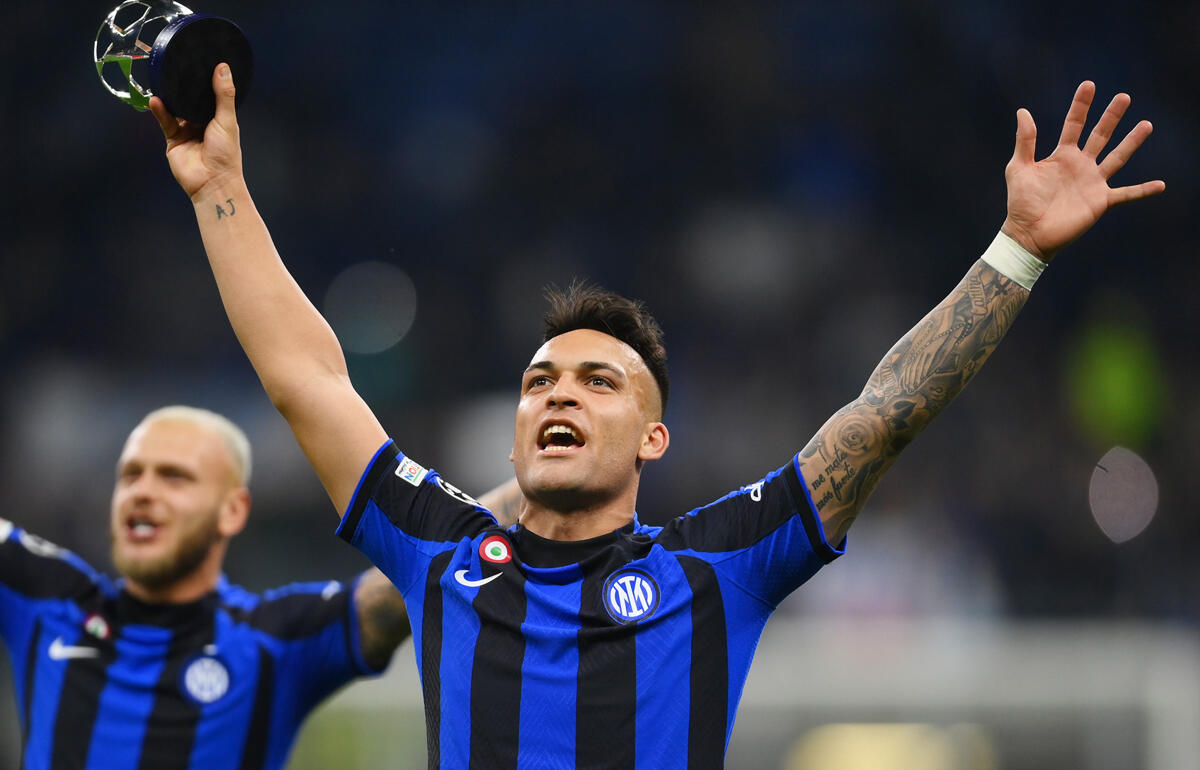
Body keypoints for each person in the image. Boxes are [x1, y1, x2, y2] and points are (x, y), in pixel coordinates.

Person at [149, 66, 1163, 768]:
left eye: (598, 381)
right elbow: (309, 378)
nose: (558, 393)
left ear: (652, 439)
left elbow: (885, 411)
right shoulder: (442, 552)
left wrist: (1017, 249)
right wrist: (219, 188)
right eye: (540, 381)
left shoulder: (715, 567)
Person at [0, 405, 520, 769]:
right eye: (130, 475)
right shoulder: (48, 597)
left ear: (233, 511)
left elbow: (430, 564)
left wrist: (539, 490)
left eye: (174, 477)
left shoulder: (275, 640)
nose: (143, 492)